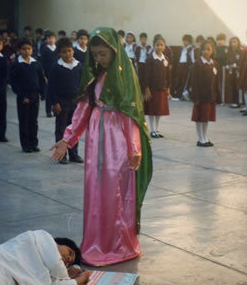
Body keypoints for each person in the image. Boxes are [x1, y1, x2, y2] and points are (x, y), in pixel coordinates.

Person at [50, 27, 152, 266]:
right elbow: (84, 109)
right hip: (96, 140)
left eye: (103, 54)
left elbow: (131, 116)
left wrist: (134, 149)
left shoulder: (124, 77)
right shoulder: (94, 77)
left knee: (116, 192)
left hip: (118, 141)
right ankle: (97, 242)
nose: (98, 59)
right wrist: (69, 137)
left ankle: (119, 244)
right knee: (96, 190)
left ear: (115, 52)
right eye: (94, 54)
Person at [49, 37, 83, 165]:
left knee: (74, 128)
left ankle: (73, 154)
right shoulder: (56, 67)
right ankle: (61, 155)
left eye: (69, 51)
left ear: (73, 51)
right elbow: (51, 86)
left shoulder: (79, 66)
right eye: (64, 52)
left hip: (75, 102)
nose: (67, 54)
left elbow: (81, 84)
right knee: (61, 129)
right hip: (62, 102)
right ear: (59, 53)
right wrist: (55, 102)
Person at [11, 39, 45, 153]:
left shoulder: (36, 63)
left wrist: (43, 93)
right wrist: (21, 96)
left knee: (33, 121)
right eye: (24, 49)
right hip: (23, 96)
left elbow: (41, 79)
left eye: (29, 49)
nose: (26, 51)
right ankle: (25, 144)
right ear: (19, 50)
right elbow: (14, 82)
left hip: (35, 95)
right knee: (24, 120)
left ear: (32, 49)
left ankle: (33, 143)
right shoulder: (17, 64)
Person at [190, 40, 222, 147]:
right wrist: (196, 97)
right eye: (204, 49)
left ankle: (205, 137)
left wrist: (218, 96)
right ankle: (200, 139)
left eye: (208, 49)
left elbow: (217, 81)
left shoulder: (215, 64)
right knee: (200, 119)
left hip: (210, 96)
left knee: (206, 118)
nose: (206, 51)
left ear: (212, 51)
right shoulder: (198, 63)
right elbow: (194, 82)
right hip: (201, 97)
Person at [144, 36, 171, 139]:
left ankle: (157, 129)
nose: (159, 47)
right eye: (157, 45)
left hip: (162, 89)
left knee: (159, 111)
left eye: (161, 45)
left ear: (164, 46)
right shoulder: (150, 58)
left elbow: (168, 75)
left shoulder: (166, 59)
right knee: (152, 110)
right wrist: (146, 89)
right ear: (153, 45)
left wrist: (168, 87)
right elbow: (146, 75)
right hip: (152, 89)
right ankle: (152, 130)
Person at [41, 30, 58, 117]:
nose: (51, 40)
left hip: (58, 74)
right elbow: (42, 64)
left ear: (55, 39)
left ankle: (55, 110)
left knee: (57, 93)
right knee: (49, 93)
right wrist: (44, 76)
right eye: (48, 38)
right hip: (48, 74)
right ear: (46, 40)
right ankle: (48, 111)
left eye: (52, 38)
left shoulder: (58, 49)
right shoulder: (44, 50)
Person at [174, 34, 194, 99]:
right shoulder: (182, 48)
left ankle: (182, 95)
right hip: (180, 65)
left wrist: (191, 66)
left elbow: (192, 59)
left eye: (186, 41)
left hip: (186, 66)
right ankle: (177, 94)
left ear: (189, 41)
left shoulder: (191, 49)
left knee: (184, 80)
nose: (185, 42)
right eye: (184, 41)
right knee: (178, 80)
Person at [225, 37, 243, 107]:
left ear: (238, 43)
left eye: (235, 42)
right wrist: (228, 66)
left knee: (237, 86)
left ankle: (238, 102)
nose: (233, 44)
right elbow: (226, 61)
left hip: (238, 71)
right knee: (231, 86)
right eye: (232, 42)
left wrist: (234, 65)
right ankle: (233, 101)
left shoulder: (241, 51)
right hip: (230, 71)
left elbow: (241, 61)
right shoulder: (229, 51)